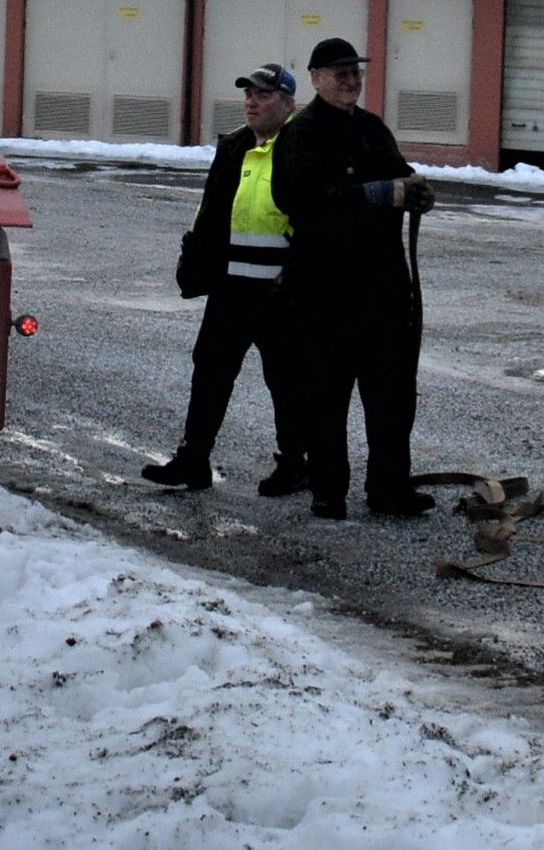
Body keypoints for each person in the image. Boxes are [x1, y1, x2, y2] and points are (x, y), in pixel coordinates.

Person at [143, 63, 316, 498]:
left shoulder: (300, 146)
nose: (252, 102)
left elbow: (316, 219)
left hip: (281, 293)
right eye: (248, 95)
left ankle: (295, 464)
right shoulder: (236, 145)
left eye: (263, 95)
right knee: (210, 374)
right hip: (231, 289)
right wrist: (195, 258)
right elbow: (211, 210)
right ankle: (193, 460)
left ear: (289, 103)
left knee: (286, 380)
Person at [284, 38, 437, 519]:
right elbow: (299, 200)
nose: (351, 81)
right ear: (314, 78)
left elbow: (400, 177)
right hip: (325, 291)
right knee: (326, 397)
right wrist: (378, 195)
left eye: (355, 73)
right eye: (339, 73)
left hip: (383, 288)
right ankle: (328, 492)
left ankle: (390, 488)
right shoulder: (301, 133)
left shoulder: (371, 128)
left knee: (392, 395)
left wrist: (416, 191)